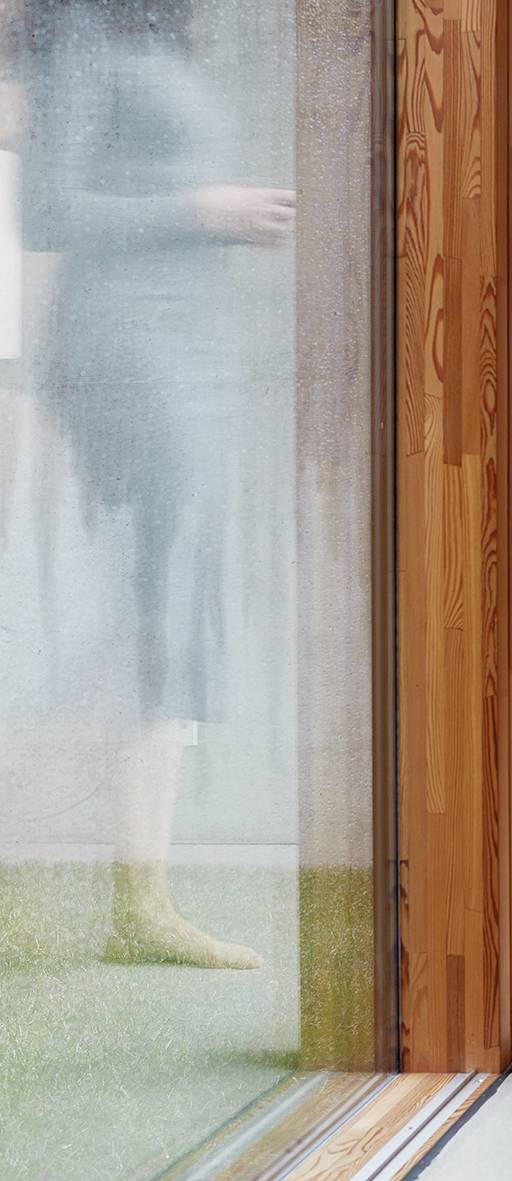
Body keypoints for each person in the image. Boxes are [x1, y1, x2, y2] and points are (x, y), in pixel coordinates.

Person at [19, 0, 293, 969]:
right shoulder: (83, 37)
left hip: (190, 343)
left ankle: (143, 900)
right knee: (154, 612)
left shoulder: (152, 36)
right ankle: (128, 899)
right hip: (130, 348)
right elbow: (48, 209)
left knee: (170, 613)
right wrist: (203, 211)